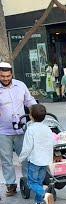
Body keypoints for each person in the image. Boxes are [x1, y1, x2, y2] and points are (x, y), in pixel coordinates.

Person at [0, 62, 37, 196]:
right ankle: (10, 184)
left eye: (8, 76)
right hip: (3, 131)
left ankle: (28, 181)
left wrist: (38, 110)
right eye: (2, 76)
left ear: (11, 74)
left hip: (22, 129)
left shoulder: (20, 85)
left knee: (26, 157)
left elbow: (29, 101)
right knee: (6, 159)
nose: (5, 79)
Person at [18, 103, 54, 204]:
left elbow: (27, 147)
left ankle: (45, 195)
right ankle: (39, 203)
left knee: (31, 182)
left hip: (34, 160)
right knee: (39, 181)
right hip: (45, 160)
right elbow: (51, 143)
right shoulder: (47, 128)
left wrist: (21, 158)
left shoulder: (31, 129)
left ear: (31, 116)